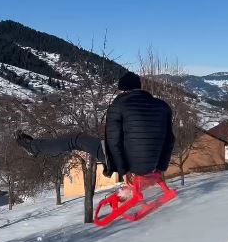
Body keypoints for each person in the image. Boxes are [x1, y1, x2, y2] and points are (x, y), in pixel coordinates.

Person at [16, 71, 175, 183]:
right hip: (152, 165)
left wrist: (123, 171)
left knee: (75, 139)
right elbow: (170, 140)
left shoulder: (118, 105)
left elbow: (113, 142)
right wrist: (160, 168)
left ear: (123, 90)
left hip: (127, 163)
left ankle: (33, 147)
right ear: (140, 88)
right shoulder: (163, 106)